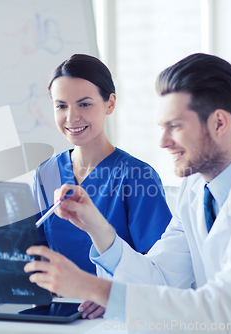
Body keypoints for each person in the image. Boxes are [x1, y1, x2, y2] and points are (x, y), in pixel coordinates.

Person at [24, 53, 231, 331]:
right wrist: (96, 226)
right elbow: (160, 278)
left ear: (219, 123)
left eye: (174, 127)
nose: (163, 142)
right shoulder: (196, 186)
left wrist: (91, 287)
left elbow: (224, 309)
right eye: (162, 127)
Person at [32, 54, 172, 319]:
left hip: (116, 313)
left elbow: (159, 269)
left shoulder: (138, 176)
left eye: (84, 104)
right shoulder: (46, 172)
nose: (72, 117)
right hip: (58, 313)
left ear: (110, 103)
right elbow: (36, 253)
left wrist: (113, 295)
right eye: (61, 106)